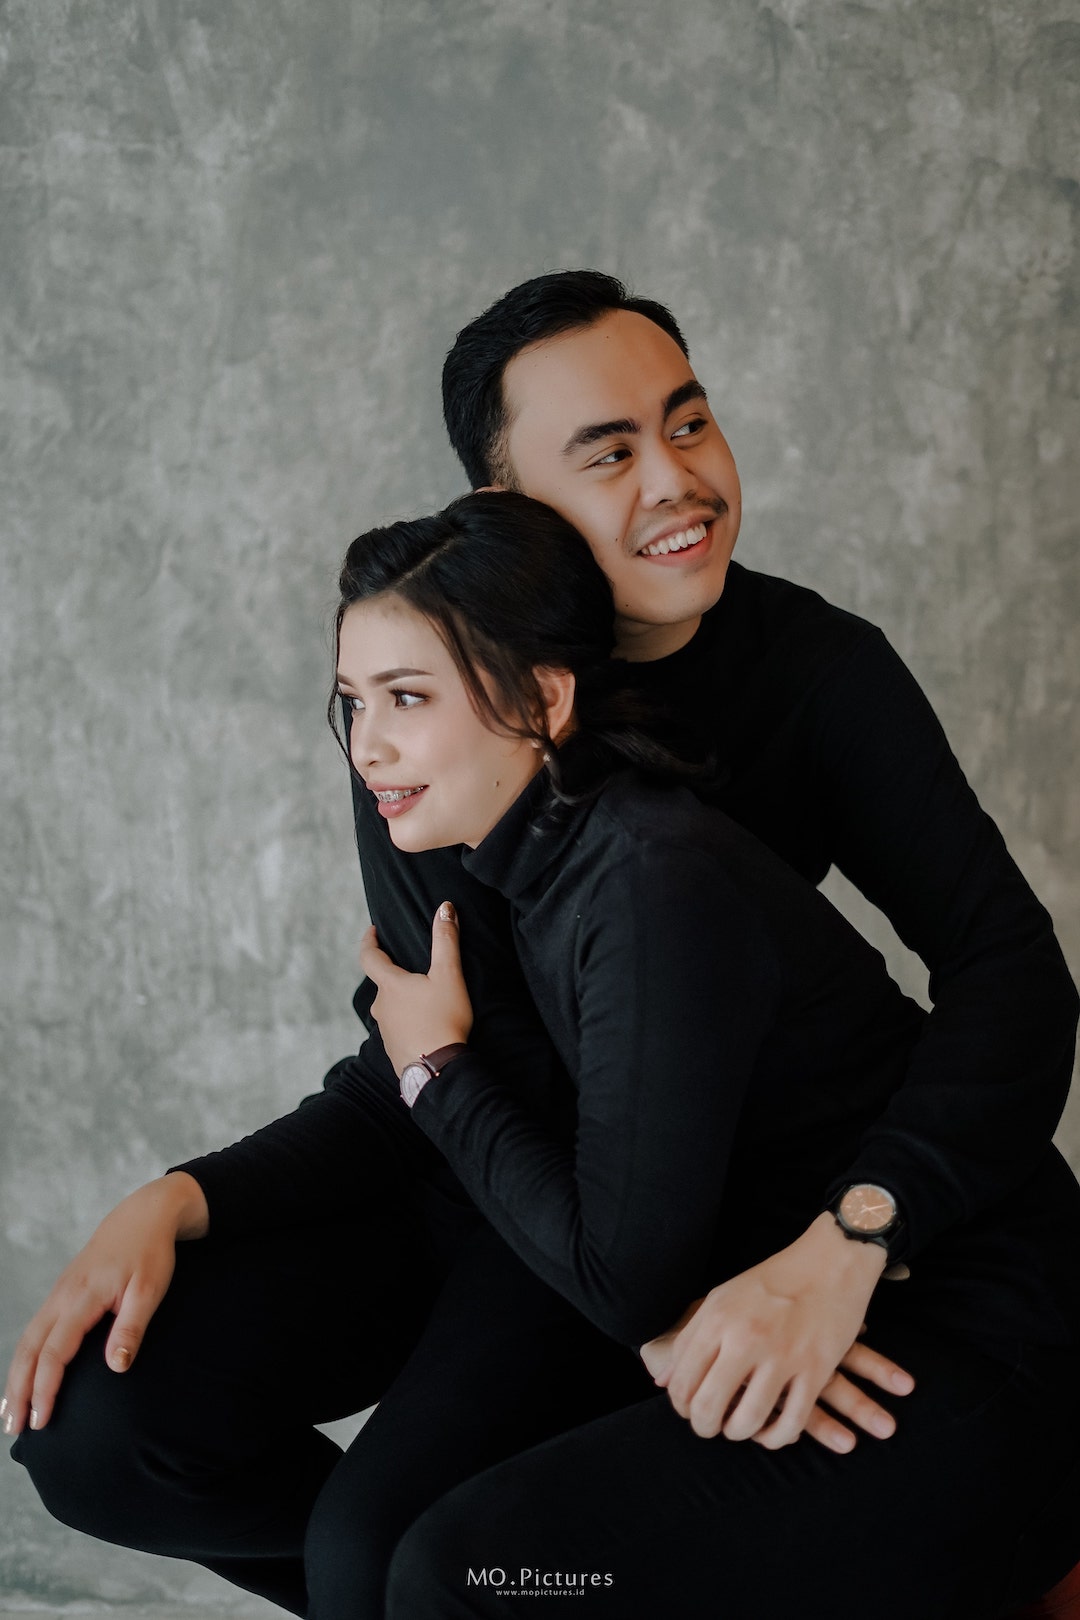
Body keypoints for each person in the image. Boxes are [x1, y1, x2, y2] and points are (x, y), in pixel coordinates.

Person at [5, 273, 1077, 1611]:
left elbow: (1010, 977)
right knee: (101, 1430)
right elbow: (435, 1055)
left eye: (688, 423)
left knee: (420, 1562)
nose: (677, 481)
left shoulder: (810, 678)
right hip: (555, 1195)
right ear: (506, 507)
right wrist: (181, 1195)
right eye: (610, 453)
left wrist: (847, 1240)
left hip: (724, 1209)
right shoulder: (433, 712)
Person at [328, 489, 1080, 1613]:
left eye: (406, 697)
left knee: (467, 1575)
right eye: (353, 701)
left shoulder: (643, 878)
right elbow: (623, 1255)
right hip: (773, 1317)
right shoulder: (544, 865)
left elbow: (620, 1276)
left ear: (542, 697)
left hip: (975, 1343)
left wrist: (437, 1073)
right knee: (376, 1550)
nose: (368, 744)